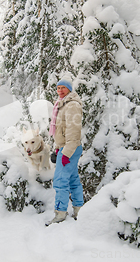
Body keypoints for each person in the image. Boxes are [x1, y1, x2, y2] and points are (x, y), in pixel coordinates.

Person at [46, 77, 84, 226]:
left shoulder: (72, 105)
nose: (60, 90)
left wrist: (66, 153)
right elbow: (62, 129)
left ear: (69, 89)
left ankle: (60, 214)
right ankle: (79, 210)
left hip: (70, 148)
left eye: (63, 87)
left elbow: (74, 131)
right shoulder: (62, 104)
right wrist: (58, 147)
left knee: (60, 181)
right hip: (66, 147)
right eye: (58, 88)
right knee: (73, 180)